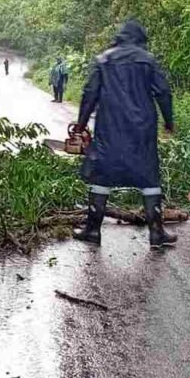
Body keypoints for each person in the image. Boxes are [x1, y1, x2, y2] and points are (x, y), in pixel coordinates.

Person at [73, 20, 176, 248]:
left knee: (101, 174)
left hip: (109, 127)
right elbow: (163, 92)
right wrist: (169, 121)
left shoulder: (104, 60)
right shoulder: (147, 60)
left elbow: (90, 93)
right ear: (140, 39)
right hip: (143, 129)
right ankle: (157, 233)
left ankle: (92, 230)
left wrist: (80, 125)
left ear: (119, 38)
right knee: (149, 175)